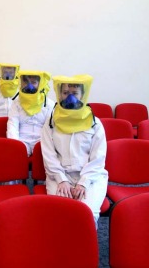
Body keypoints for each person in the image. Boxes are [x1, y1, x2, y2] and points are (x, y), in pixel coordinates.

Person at [40, 74, 108, 227]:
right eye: (65, 93)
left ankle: (85, 249)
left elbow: (98, 159)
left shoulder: (95, 124)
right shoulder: (51, 123)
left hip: (91, 178)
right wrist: (61, 180)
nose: (70, 98)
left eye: (75, 94)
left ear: (82, 95)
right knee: (61, 215)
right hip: (59, 176)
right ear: (59, 94)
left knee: (87, 215)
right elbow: (48, 155)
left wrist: (83, 183)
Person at [7, 70, 55, 156]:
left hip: (41, 141)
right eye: (26, 82)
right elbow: (12, 125)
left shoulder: (49, 104)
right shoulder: (17, 103)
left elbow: (50, 129)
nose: (29, 86)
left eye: (33, 82)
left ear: (41, 84)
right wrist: (15, 145)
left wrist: (42, 145)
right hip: (21, 140)